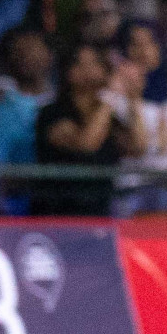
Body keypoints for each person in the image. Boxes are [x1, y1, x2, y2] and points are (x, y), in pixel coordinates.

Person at [34, 43, 147, 216]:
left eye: (95, 63)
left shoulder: (109, 117)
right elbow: (86, 144)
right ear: (68, 72)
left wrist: (134, 98)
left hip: (100, 217)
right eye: (81, 64)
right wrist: (112, 93)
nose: (89, 70)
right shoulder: (52, 113)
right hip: (58, 217)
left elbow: (138, 147)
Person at [110, 21, 167, 217]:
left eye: (150, 43)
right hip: (131, 192)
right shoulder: (114, 98)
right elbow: (139, 147)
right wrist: (134, 100)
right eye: (134, 44)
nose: (143, 50)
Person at [0, 26, 55, 214]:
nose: (26, 57)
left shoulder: (65, 104)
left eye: (33, 49)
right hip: (15, 210)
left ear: (49, 55)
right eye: (18, 51)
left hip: (64, 207)